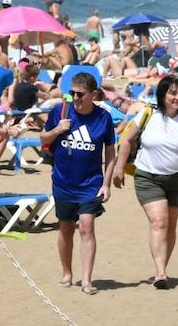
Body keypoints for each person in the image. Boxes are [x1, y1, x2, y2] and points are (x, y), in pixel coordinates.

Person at [111, 74, 178, 289]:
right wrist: (119, 168)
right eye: (172, 93)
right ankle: (160, 273)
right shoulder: (148, 114)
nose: (177, 97)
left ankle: (162, 267)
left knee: (170, 226)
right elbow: (127, 139)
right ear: (162, 95)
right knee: (159, 222)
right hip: (148, 177)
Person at [39, 72, 115, 295]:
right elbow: (43, 139)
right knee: (65, 228)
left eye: (80, 94)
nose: (75, 98)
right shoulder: (61, 111)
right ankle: (67, 273)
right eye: (72, 93)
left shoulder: (103, 118)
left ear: (93, 94)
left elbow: (110, 153)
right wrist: (57, 130)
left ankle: (87, 280)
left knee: (86, 226)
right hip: (63, 181)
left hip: (91, 183)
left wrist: (107, 183)